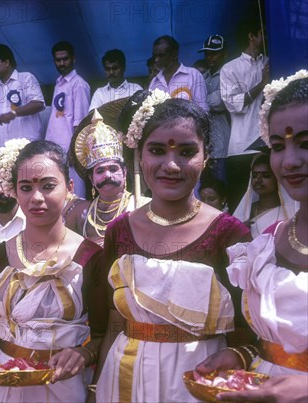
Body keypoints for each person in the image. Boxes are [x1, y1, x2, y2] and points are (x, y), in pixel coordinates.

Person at [91, 92, 251, 402]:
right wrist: (96, 386)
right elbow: (113, 319)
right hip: (125, 376)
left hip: (200, 378)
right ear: (140, 156)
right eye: (157, 150)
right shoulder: (118, 231)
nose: (171, 165)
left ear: (206, 157)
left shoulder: (229, 234)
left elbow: (244, 327)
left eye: (187, 151)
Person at [0, 139, 108, 402]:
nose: (36, 197)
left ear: (69, 188)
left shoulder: (91, 258)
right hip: (4, 387)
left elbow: (103, 333)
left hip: (64, 386)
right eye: (26, 187)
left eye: (48, 186)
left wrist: (85, 353)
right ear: (15, 191)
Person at [196, 70, 308, 403]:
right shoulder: (268, 242)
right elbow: (276, 346)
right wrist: (244, 356)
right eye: (277, 146)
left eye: (306, 144)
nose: (289, 161)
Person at [67, 109, 150, 245]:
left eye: (113, 169)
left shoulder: (143, 206)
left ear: (124, 172)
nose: (107, 175)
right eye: (100, 171)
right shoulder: (80, 213)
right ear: (91, 179)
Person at [221, 18, 269, 212]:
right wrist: (262, 83)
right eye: (262, 33)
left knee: (266, 202)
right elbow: (234, 104)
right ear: (251, 36)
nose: (266, 37)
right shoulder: (230, 68)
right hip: (241, 147)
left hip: (266, 144)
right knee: (240, 202)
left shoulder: (268, 62)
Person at [45, 41, 90, 197]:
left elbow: (82, 121)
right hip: (54, 150)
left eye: (65, 59)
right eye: (58, 60)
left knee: (75, 194)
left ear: (74, 58)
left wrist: (74, 151)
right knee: (58, 193)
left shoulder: (79, 84)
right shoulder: (58, 84)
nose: (62, 63)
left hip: (70, 151)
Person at [0, 43, 45, 155]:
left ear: (7, 62)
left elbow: (38, 104)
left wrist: (13, 113)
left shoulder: (26, 78)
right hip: (2, 154)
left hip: (27, 151)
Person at [233, 152, 297, 238]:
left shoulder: (290, 211)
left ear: (278, 179)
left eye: (266, 175)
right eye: (254, 175)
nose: (258, 180)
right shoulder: (246, 211)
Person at [200, 34, 231, 182]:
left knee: (220, 185)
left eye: (214, 53)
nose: (209, 57)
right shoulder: (203, 77)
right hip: (206, 144)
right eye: (207, 53)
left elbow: (219, 102)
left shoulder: (229, 74)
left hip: (222, 142)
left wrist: (202, 101)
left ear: (224, 54)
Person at [150, 35, 209, 111]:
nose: (156, 60)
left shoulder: (193, 76)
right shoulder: (154, 82)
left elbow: (202, 109)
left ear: (175, 55)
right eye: (155, 56)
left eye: (161, 55)